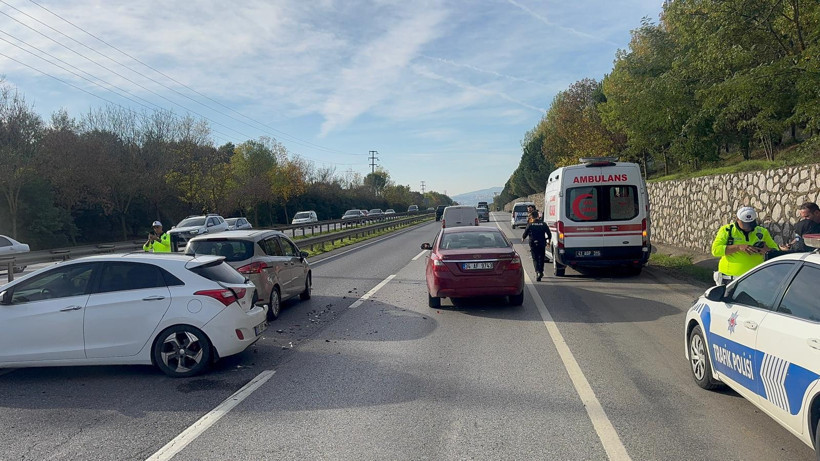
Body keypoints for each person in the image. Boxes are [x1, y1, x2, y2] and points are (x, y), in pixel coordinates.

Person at [711, 206, 778, 285]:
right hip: (730, 279)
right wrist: (738, 247)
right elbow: (715, 250)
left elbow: (775, 252)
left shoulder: (762, 232)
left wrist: (766, 250)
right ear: (738, 220)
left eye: (751, 224)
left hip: (755, 279)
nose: (748, 227)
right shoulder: (727, 230)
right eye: (745, 224)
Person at [522, 212, 551, 281]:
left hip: (533, 243)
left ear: (532, 217)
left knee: (535, 258)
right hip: (542, 243)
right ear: (538, 216)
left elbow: (525, 233)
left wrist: (523, 238)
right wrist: (548, 242)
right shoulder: (543, 224)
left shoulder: (530, 224)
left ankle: (537, 271)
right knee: (541, 258)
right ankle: (541, 271)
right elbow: (549, 234)